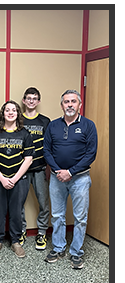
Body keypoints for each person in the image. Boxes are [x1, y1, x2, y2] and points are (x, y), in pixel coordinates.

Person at [43, 89, 97, 269]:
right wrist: (59, 171)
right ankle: (58, 248)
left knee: (80, 217)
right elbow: (46, 151)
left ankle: (76, 252)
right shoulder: (53, 125)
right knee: (57, 215)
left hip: (80, 178)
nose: (70, 105)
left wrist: (71, 172)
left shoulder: (89, 125)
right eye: (66, 102)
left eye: (73, 101)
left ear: (80, 105)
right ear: (61, 105)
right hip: (57, 177)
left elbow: (91, 154)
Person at [0, 101, 34, 258]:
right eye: (7, 110)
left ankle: (16, 241)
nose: (10, 112)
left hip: (19, 179)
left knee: (16, 211)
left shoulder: (24, 134)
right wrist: (1, 178)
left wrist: (14, 179)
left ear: (18, 113)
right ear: (2, 113)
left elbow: (28, 159)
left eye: (13, 110)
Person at [20, 87, 51, 250]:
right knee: (19, 203)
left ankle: (41, 233)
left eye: (34, 98)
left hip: (40, 168)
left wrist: (49, 167)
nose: (31, 101)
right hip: (22, 171)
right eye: (28, 98)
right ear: (24, 101)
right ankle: (21, 231)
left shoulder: (45, 121)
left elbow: (50, 145)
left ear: (38, 101)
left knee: (43, 203)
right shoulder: (18, 120)